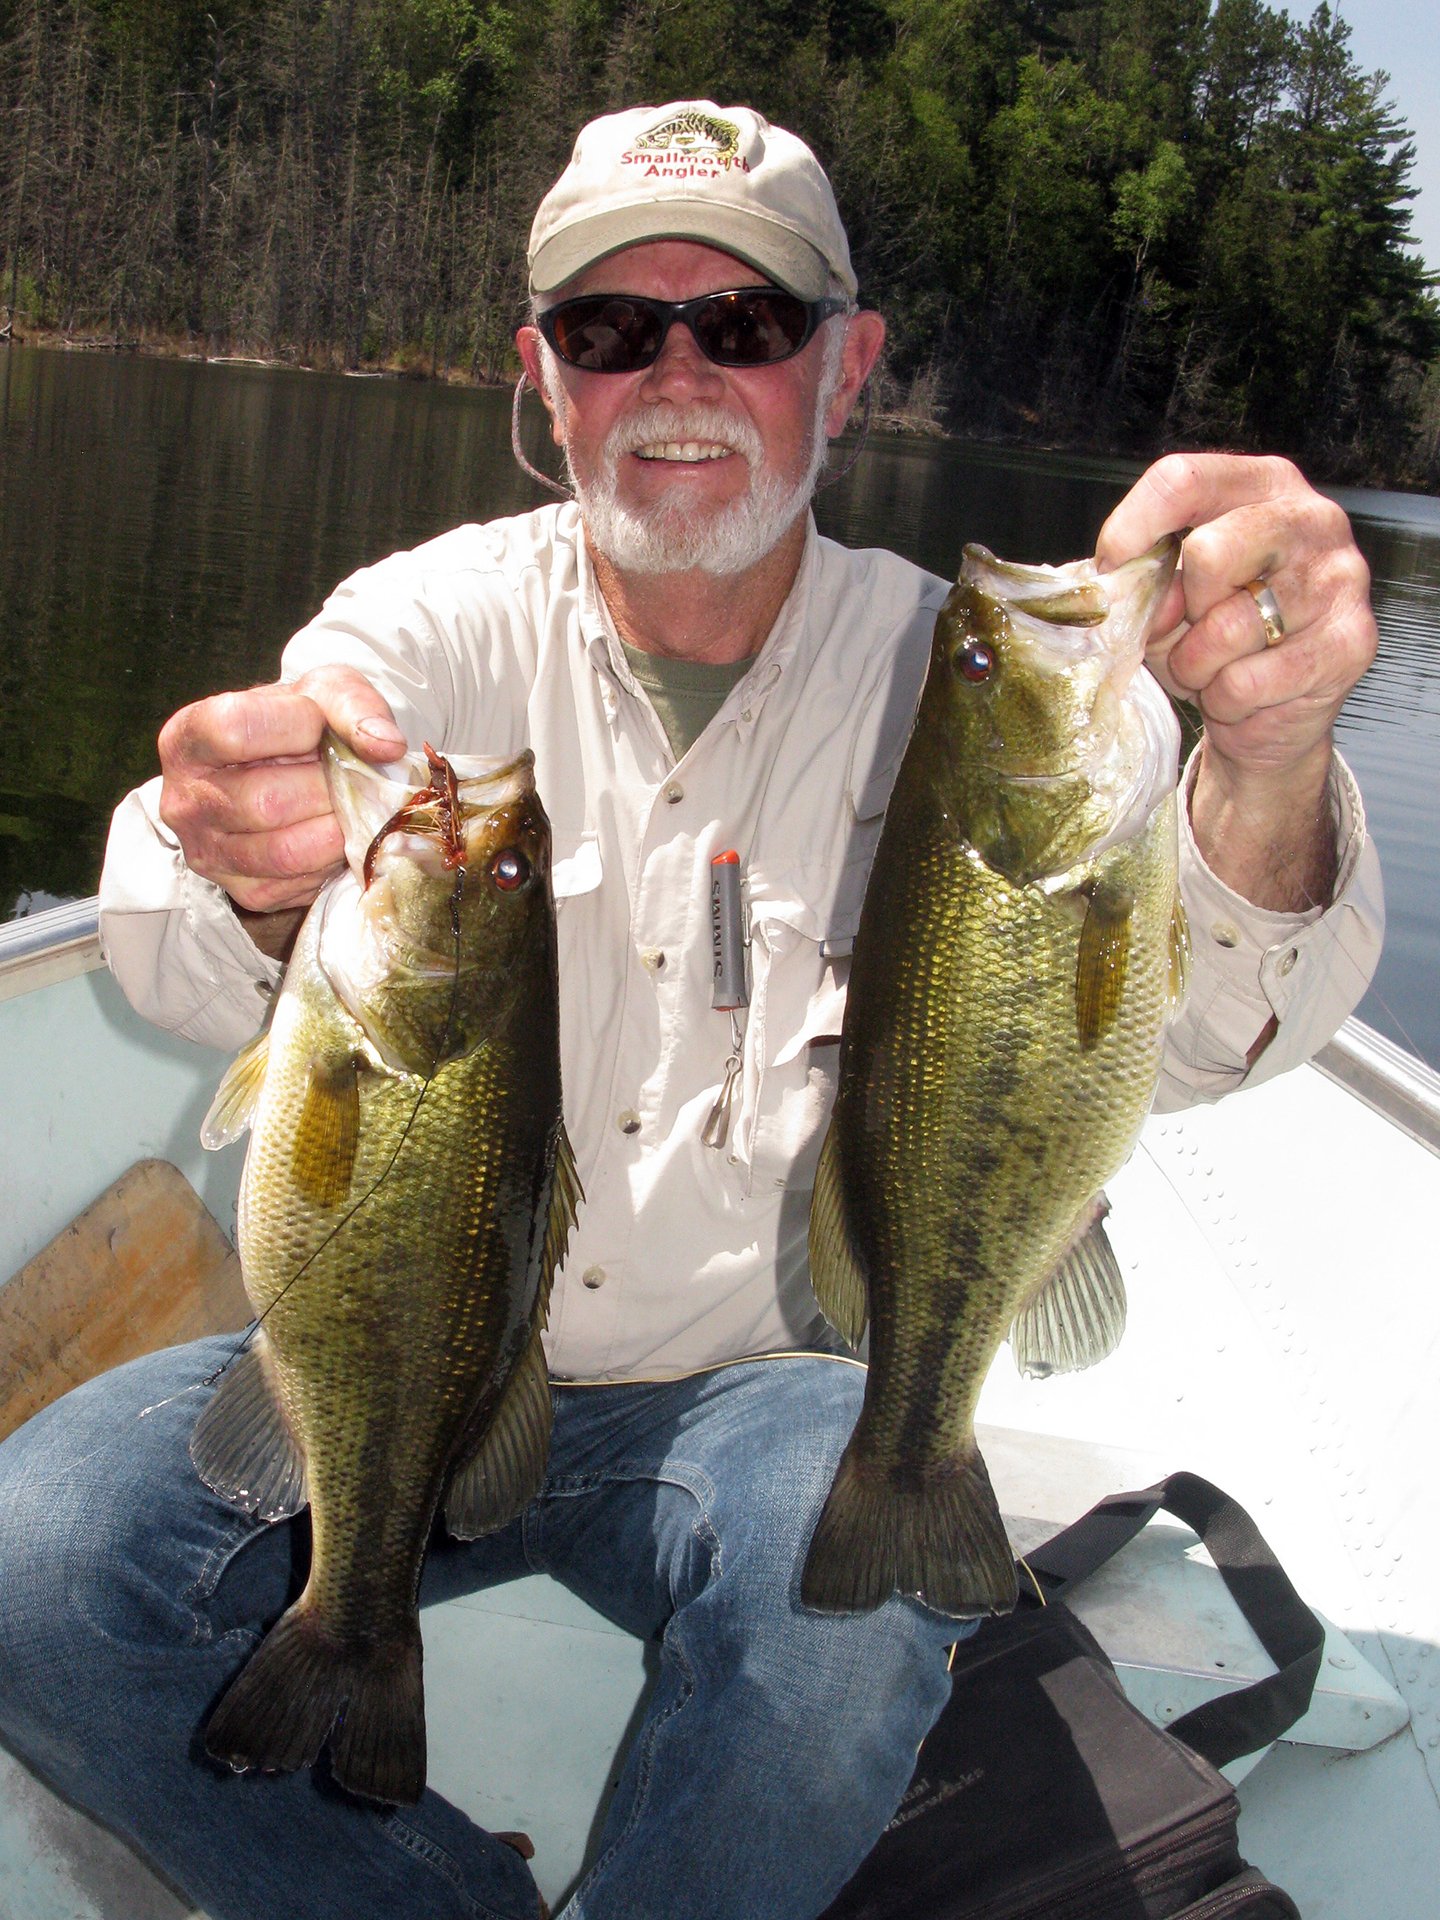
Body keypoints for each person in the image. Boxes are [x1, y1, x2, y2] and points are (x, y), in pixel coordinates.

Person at [0, 101, 1383, 1920]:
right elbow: (181, 948)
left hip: (765, 1402)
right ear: (543, 379)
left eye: (745, 321)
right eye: (609, 328)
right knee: (36, 1562)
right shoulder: (424, 633)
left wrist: (1270, 760)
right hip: (406, 1374)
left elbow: (1205, 1033)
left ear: (848, 368)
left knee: (857, 1599)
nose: (676, 373)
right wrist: (242, 854)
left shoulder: (954, 675)